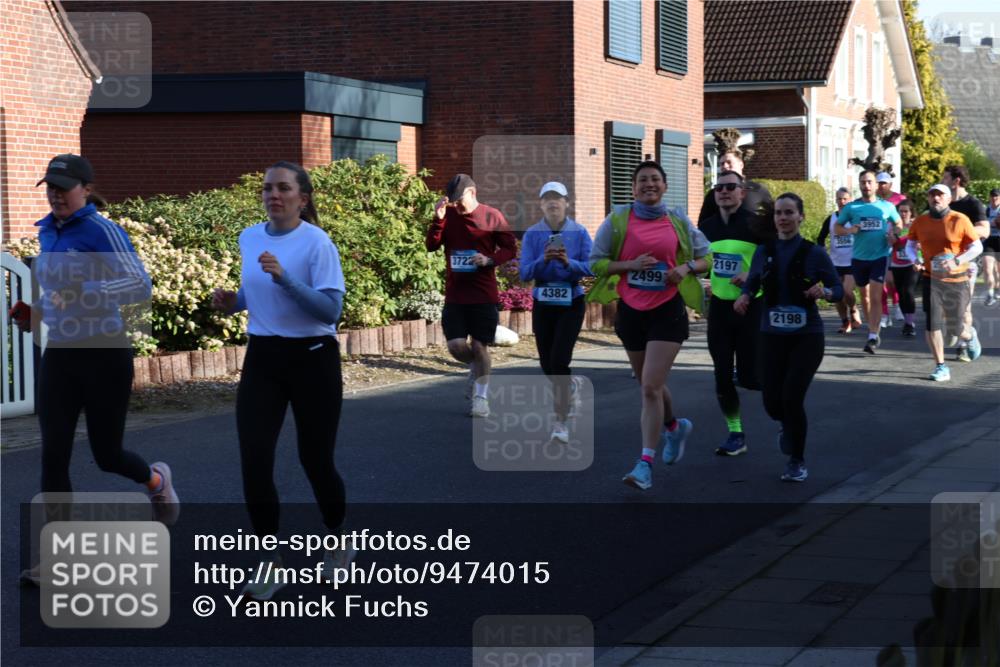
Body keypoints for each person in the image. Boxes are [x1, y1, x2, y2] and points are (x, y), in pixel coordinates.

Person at [19, 154, 178, 585]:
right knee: (53, 455)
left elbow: (139, 285)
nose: (55, 193)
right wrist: (35, 312)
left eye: (63, 186)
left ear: (85, 190)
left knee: (107, 455)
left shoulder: (102, 230)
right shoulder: (47, 232)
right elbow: (58, 296)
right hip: (63, 355)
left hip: (105, 354)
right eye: (50, 186)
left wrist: (85, 288)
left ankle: (156, 482)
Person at [211, 161, 348, 600]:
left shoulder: (317, 243)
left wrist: (286, 279)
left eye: (283, 188)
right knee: (254, 459)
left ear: (302, 198)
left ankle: (337, 539)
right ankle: (271, 561)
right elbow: (254, 291)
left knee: (315, 460)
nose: (274, 195)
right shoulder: (249, 237)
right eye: (268, 188)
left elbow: (330, 311)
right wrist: (233, 302)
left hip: (312, 359)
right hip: (264, 357)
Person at [588, 161, 710, 490]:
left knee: (649, 388)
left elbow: (706, 257)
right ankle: (674, 426)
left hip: (667, 311)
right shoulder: (616, 220)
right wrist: (629, 264)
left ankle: (644, 464)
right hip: (631, 312)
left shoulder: (678, 219)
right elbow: (594, 262)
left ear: (665, 186)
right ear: (633, 187)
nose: (649, 185)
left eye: (655, 179)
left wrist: (685, 268)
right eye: (643, 180)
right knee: (649, 383)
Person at [734, 193, 843, 482]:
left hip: (806, 337)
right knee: (772, 402)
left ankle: (797, 460)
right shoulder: (764, 251)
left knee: (792, 397)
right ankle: (787, 425)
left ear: (800, 217)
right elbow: (754, 280)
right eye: (779, 213)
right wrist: (744, 296)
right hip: (771, 336)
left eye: (789, 212)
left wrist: (826, 292)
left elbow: (840, 289)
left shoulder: (814, 253)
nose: (783, 218)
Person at [426, 173, 517, 417]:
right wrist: (438, 220)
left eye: (460, 200)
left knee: (479, 345)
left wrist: (489, 260)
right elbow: (431, 245)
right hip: (455, 293)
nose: (456, 205)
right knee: (456, 346)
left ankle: (481, 398)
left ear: (472, 193)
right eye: (453, 200)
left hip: (483, 294)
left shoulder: (491, 215)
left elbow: (510, 248)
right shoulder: (449, 215)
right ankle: (477, 369)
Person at [699, 171, 773, 456]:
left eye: (731, 187)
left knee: (752, 377)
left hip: (752, 307)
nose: (724, 192)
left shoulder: (756, 226)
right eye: (719, 187)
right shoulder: (706, 228)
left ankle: (784, 415)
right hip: (720, 308)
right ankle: (735, 433)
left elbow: (774, 260)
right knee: (721, 376)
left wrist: (752, 274)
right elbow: (701, 262)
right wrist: (701, 278)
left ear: (742, 192)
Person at [519, 182, 592, 443]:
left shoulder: (580, 232)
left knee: (560, 360)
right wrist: (544, 260)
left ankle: (561, 422)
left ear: (566, 203)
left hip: (571, 300)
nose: (552, 203)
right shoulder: (532, 234)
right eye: (547, 199)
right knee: (547, 363)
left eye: (557, 199)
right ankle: (568, 387)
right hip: (543, 301)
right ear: (540, 204)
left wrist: (567, 262)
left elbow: (592, 267)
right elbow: (525, 272)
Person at [904, 184, 983, 382]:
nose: (936, 199)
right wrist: (914, 259)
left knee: (956, 328)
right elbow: (910, 244)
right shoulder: (921, 221)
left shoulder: (960, 219)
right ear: (928, 199)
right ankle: (941, 366)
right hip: (932, 278)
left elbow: (977, 247)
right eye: (932, 196)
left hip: (958, 279)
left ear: (949, 199)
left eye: (940, 196)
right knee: (932, 323)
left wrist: (957, 260)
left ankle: (969, 335)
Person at [834, 170, 901, 354]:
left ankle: (873, 334)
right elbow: (837, 227)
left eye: (870, 182)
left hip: (879, 256)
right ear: (860, 184)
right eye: (863, 182)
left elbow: (899, 223)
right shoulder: (852, 208)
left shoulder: (886, 206)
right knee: (864, 296)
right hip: (858, 258)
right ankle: (872, 327)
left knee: (876, 294)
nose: (866, 186)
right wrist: (849, 231)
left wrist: (893, 233)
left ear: (876, 185)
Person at [941, 165, 989, 361]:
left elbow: (984, 230)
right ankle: (957, 331)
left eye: (945, 178)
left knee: (964, 307)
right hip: (943, 263)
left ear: (956, 180)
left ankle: (964, 343)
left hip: (967, 261)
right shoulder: (941, 203)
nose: (942, 181)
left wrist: (960, 233)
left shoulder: (973, 204)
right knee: (944, 306)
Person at [817, 187, 864, 334]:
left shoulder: (855, 218)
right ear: (836, 200)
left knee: (847, 291)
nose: (842, 202)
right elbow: (820, 239)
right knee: (837, 294)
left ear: (850, 200)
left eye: (845, 199)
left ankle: (854, 309)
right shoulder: (831, 219)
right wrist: (823, 253)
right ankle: (845, 322)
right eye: (839, 199)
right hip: (835, 263)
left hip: (852, 262)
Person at [697, 148, 773, 223]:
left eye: (729, 162)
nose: (725, 166)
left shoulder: (758, 190)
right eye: (722, 164)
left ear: (741, 164)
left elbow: (771, 218)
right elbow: (703, 225)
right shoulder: (714, 194)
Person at [888, 199, 920, 337]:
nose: (903, 214)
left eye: (906, 211)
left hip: (912, 263)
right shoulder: (893, 226)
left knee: (908, 291)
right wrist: (892, 236)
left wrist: (919, 246)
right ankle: (907, 322)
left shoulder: (916, 225)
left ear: (911, 212)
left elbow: (923, 242)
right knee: (901, 293)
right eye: (900, 211)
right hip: (896, 263)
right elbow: (889, 244)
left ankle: (910, 322)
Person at [985, 187, 1000, 306]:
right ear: (990, 197)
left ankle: (997, 289)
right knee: (988, 267)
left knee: (997, 270)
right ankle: (990, 294)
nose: (994, 198)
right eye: (993, 196)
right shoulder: (986, 210)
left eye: (997, 196)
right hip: (989, 240)